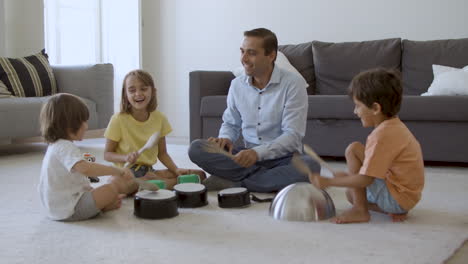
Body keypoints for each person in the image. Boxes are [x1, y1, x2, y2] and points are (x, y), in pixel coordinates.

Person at [188, 28, 319, 192]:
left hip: (284, 158)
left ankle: (236, 182)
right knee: (197, 148)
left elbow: (292, 136)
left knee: (311, 167)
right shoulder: (237, 85)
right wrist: (225, 139)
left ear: (271, 55)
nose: (243, 59)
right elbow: (231, 123)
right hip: (245, 155)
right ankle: (262, 180)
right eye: (242, 51)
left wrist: (257, 154)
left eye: (251, 53)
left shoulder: (293, 84)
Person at [309, 68, 425, 224]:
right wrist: (347, 177)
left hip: (398, 197)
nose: (355, 112)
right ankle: (391, 208)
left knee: (353, 185)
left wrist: (329, 182)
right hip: (406, 196)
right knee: (355, 151)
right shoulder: (394, 126)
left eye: (358, 106)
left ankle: (360, 210)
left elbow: (365, 180)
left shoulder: (381, 136)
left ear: (376, 108)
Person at [104, 70, 206, 193]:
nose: (138, 94)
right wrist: (125, 157)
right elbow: (107, 154)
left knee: (200, 175)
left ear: (152, 91)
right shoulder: (118, 120)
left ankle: (152, 182)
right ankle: (167, 183)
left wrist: (175, 169)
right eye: (132, 90)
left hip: (148, 170)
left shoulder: (160, 119)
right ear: (125, 95)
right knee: (113, 184)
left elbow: (162, 153)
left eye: (143, 89)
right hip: (127, 172)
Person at [38, 93, 134, 221]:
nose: (86, 126)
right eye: (83, 121)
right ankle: (103, 206)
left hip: (58, 207)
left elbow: (75, 179)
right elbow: (86, 169)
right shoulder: (64, 147)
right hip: (69, 209)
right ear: (70, 124)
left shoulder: (56, 146)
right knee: (110, 189)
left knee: (102, 191)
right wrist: (117, 171)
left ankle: (102, 205)